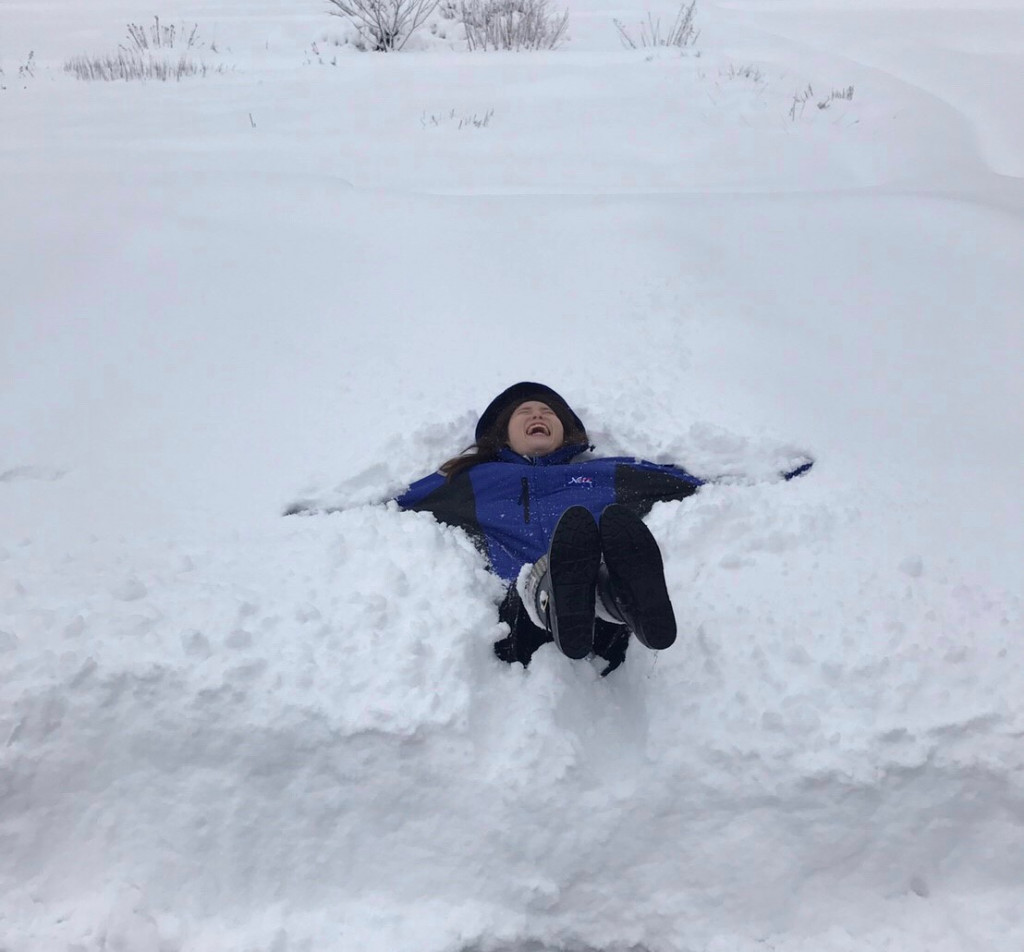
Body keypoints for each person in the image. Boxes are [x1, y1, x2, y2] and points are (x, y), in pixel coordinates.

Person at [395, 382, 811, 675]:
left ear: (564, 432)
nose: (538, 415)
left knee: (609, 541)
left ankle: (623, 604)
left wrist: (771, 477)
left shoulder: (603, 475)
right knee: (547, 578)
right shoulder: (477, 480)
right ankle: (563, 597)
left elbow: (688, 485)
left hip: (603, 624)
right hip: (521, 621)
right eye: (525, 412)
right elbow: (397, 503)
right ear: (503, 433)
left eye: (547, 413)